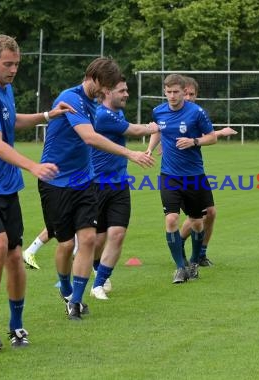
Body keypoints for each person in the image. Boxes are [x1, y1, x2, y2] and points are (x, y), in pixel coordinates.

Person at [0, 34, 74, 350]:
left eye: (16, 64)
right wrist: (33, 166)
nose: (12, 70)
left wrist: (49, 115)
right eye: (7, 64)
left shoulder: (6, 90)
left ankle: (17, 327)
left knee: (14, 257)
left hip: (6, 186)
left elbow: (12, 121)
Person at [38, 57, 154, 320]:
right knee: (66, 244)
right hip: (55, 180)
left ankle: (76, 303)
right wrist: (130, 154)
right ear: (96, 79)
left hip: (84, 180)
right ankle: (67, 289)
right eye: (107, 86)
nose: (107, 92)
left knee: (89, 239)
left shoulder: (92, 102)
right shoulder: (71, 98)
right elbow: (89, 137)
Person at [89, 76, 159, 300]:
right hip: (97, 185)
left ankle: (98, 284)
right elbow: (134, 131)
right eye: (122, 90)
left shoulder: (117, 112)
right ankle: (93, 265)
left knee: (117, 234)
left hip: (119, 183)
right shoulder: (102, 115)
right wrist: (153, 127)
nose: (126, 94)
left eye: (126, 90)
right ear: (108, 92)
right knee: (98, 240)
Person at [146, 74, 217, 283]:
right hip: (169, 175)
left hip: (194, 176)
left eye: (176, 92)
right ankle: (179, 267)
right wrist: (150, 149)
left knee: (196, 222)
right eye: (168, 92)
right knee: (171, 219)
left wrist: (194, 141)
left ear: (183, 91)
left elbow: (212, 137)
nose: (172, 96)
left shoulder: (196, 112)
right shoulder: (159, 111)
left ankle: (194, 261)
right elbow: (158, 130)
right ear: (164, 91)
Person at [178, 76, 237, 267]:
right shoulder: (172, 112)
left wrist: (217, 133)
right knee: (197, 216)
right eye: (184, 93)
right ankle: (177, 245)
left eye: (191, 94)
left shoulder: (196, 113)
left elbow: (202, 136)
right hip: (177, 174)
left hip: (196, 171)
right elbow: (162, 130)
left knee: (210, 213)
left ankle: (201, 253)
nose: (187, 97)